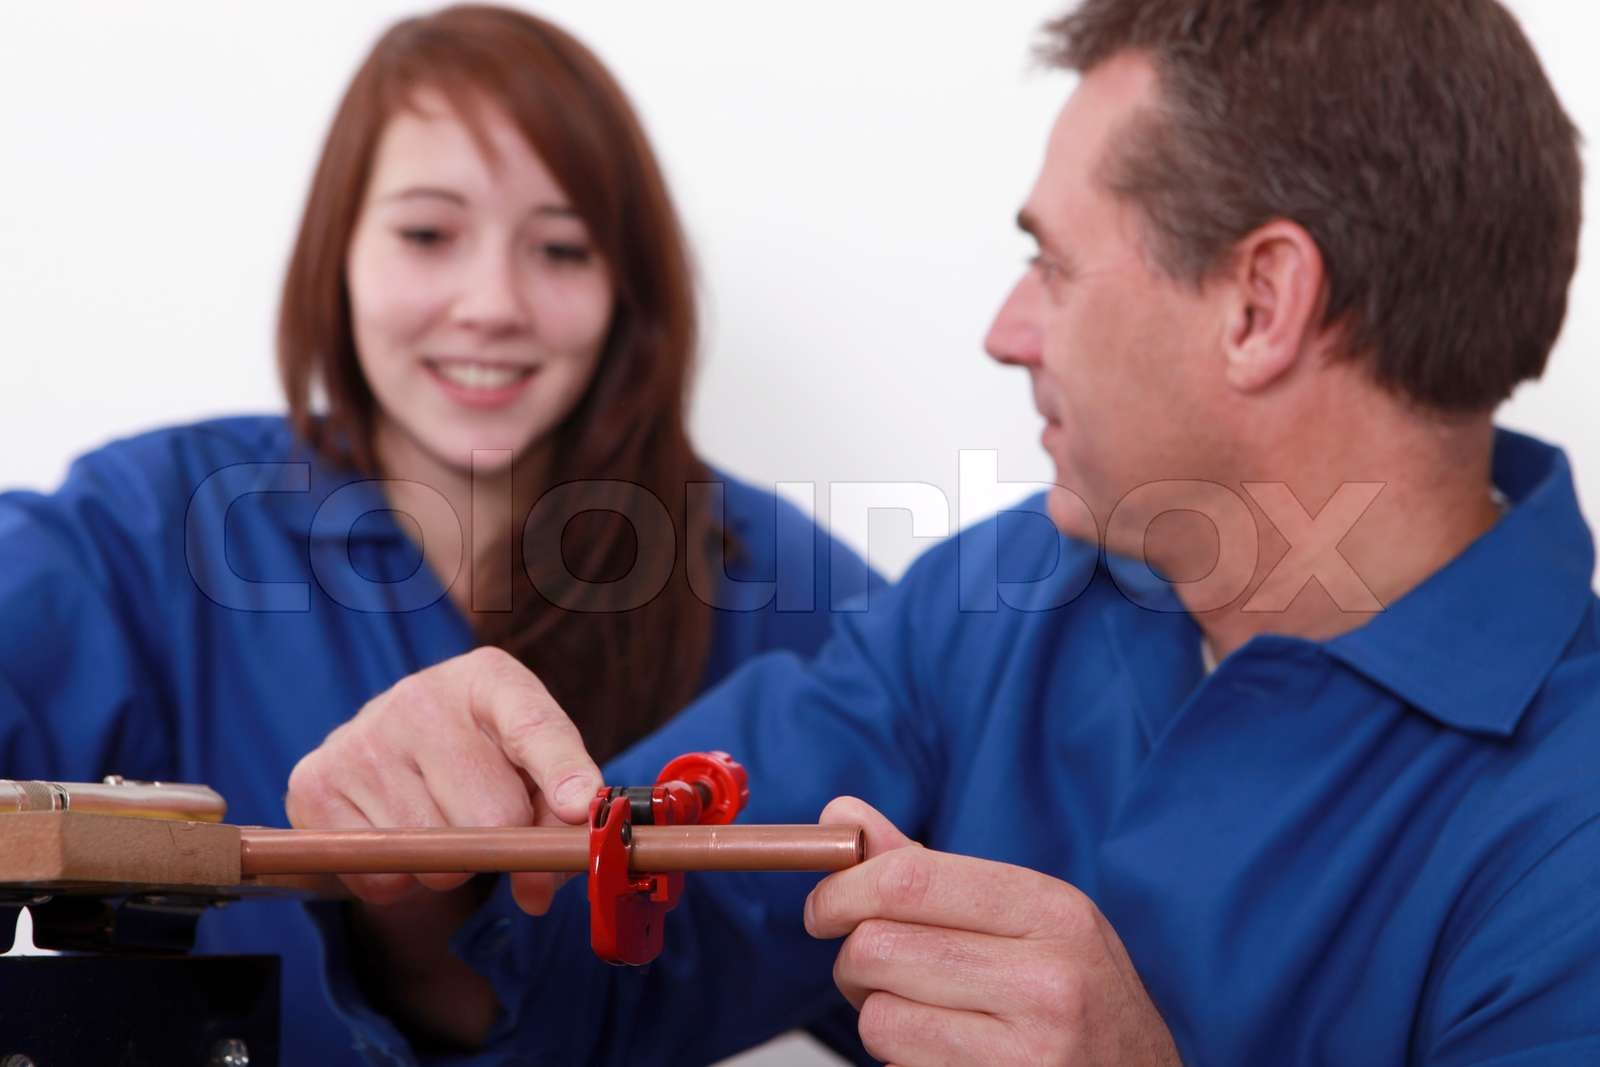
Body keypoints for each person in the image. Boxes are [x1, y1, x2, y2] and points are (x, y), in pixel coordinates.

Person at [288, 0, 1600, 1064]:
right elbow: (601, 976)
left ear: (1260, 303)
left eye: (1054, 263)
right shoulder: (998, 601)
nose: (1005, 329)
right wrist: (427, 886)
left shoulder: (1571, 819)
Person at [0, 5, 878, 1065]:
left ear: (626, 287)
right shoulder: (151, 522)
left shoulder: (775, 586)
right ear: (340, 250)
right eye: (427, 233)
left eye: (560, 248)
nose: (491, 303)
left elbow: (958, 902)